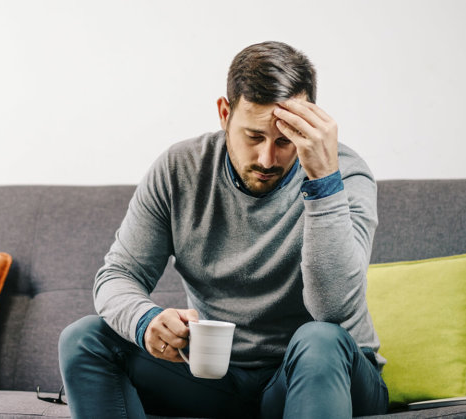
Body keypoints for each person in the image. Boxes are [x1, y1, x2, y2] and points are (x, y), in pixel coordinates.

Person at [59, 41, 389, 418]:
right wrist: (146, 322)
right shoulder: (180, 169)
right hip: (218, 379)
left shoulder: (344, 173)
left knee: (320, 339)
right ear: (224, 112)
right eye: (254, 137)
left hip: (327, 374)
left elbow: (333, 311)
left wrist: (322, 181)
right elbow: (118, 275)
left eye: (285, 140)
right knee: (85, 338)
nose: (268, 159)